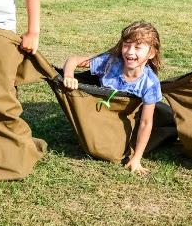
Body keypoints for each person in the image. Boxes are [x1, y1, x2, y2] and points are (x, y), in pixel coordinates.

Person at [62, 21, 163, 174]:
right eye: (126, 45)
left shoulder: (150, 84)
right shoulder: (110, 62)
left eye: (137, 47)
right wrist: (69, 75)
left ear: (151, 53)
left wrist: (136, 158)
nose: (130, 52)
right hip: (100, 113)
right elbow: (73, 60)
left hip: (123, 119)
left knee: (113, 152)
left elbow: (146, 122)